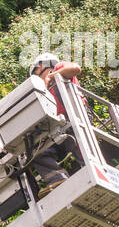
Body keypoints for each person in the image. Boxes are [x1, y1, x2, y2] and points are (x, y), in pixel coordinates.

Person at [29, 52, 84, 197]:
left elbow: (76, 68)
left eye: (36, 74)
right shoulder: (44, 92)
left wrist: (52, 76)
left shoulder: (58, 68)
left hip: (74, 120)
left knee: (84, 153)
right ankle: (58, 179)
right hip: (60, 128)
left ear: (41, 66)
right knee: (39, 153)